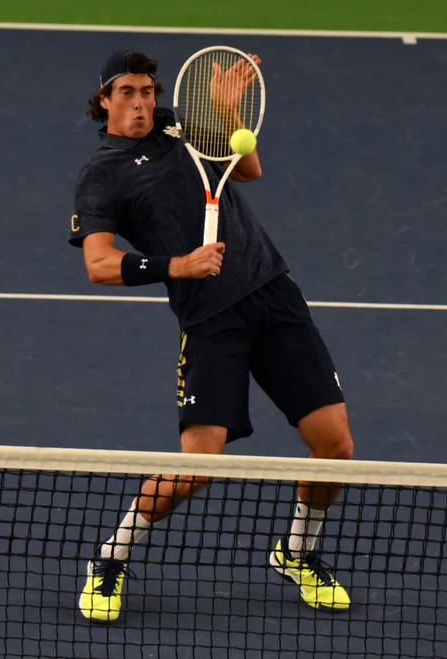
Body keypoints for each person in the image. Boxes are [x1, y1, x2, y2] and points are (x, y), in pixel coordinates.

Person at [69, 49, 354, 623]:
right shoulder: (102, 174)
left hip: (273, 293)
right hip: (209, 318)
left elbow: (246, 170)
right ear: (104, 99)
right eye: (127, 92)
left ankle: (297, 552)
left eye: (147, 90)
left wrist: (227, 113)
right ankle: (109, 559)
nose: (141, 102)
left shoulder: (179, 125)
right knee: (197, 468)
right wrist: (178, 266)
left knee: (335, 447)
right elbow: (98, 264)